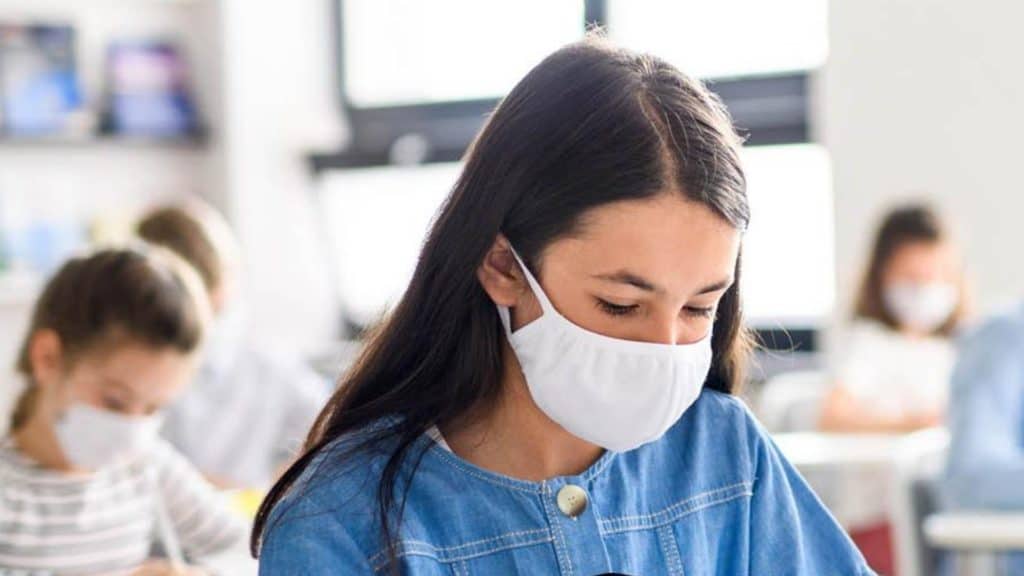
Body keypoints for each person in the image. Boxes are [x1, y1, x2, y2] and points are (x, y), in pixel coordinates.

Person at [253, 37, 873, 574]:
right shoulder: (343, 520)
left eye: (697, 310)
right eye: (620, 305)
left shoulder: (725, 453)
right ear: (503, 267)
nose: (662, 353)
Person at [0, 247, 245, 574]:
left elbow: (251, 550)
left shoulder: (146, 465)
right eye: (115, 401)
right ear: (47, 358)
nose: (132, 428)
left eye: (153, 408)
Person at [137, 201, 329, 489]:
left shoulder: (268, 366)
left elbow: (334, 426)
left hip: (240, 514)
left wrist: (274, 488)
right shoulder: (140, 371)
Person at [821, 204, 968, 434]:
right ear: (881, 276)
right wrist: (916, 425)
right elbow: (832, 417)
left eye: (935, 275)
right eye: (911, 276)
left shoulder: (960, 347)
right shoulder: (868, 343)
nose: (924, 288)